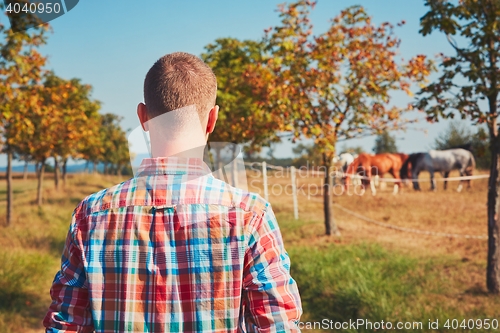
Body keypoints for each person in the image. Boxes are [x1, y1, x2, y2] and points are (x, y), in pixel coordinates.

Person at [43, 52, 302, 333]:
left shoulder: (90, 214)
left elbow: (66, 324)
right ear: (212, 119)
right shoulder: (251, 216)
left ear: (142, 117)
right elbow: (277, 326)